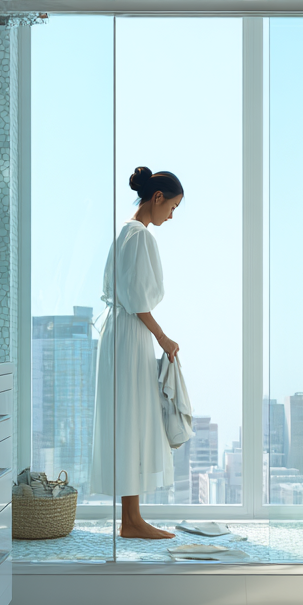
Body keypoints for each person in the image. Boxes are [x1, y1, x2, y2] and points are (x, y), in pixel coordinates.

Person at [90, 166, 183, 539]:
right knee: (132, 420)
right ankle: (131, 520)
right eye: (172, 207)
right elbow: (139, 301)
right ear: (157, 198)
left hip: (119, 332)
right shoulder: (140, 235)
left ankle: (131, 518)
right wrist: (163, 338)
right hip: (131, 332)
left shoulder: (124, 233)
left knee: (126, 419)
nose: (171, 216)